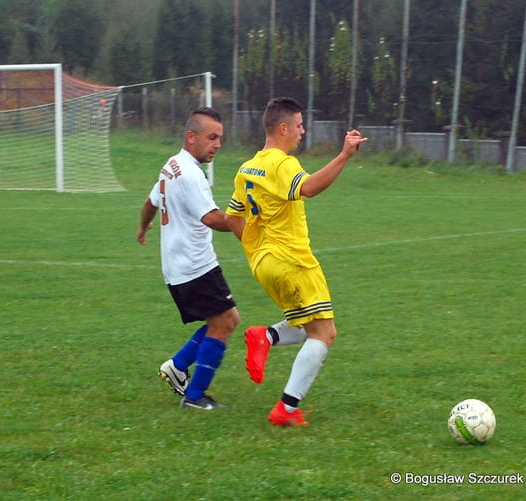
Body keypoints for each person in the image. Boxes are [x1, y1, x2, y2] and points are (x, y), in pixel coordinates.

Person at [225, 97, 366, 426]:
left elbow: (232, 217)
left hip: (263, 264)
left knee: (309, 324)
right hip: (292, 260)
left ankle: (267, 337)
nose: (303, 132)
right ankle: (286, 409)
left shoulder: (247, 168)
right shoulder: (281, 163)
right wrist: (344, 155)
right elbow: (310, 187)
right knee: (325, 333)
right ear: (283, 127)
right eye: (300, 125)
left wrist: (257, 250)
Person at [137, 107, 240, 410]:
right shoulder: (192, 175)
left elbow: (150, 202)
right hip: (195, 266)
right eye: (212, 137)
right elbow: (213, 219)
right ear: (191, 137)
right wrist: (249, 226)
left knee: (223, 319)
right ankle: (194, 397)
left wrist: (143, 226)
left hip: (178, 265)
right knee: (225, 322)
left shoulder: (172, 166)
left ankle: (178, 366)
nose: (218, 144)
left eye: (220, 138)